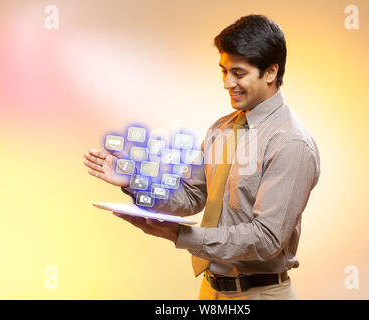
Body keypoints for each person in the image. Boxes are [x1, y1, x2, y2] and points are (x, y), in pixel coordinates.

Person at [83, 14, 320, 300]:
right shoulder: (221, 129)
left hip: (261, 294)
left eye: (238, 73)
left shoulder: (290, 142)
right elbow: (193, 196)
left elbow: (265, 239)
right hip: (211, 291)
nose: (227, 83)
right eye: (224, 71)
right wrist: (134, 180)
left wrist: (180, 235)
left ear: (270, 72)